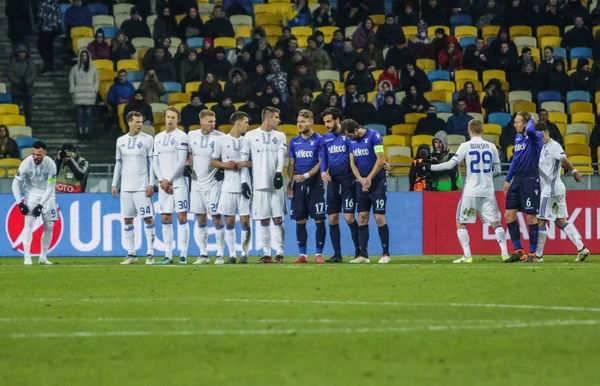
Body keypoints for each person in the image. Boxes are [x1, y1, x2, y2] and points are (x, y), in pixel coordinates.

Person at [422, 120, 508, 263]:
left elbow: (450, 165)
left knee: (460, 222)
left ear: (469, 130)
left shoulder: (465, 146)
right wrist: (486, 178)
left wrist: (429, 168)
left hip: (470, 191)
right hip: (488, 191)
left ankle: (467, 256)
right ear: (483, 130)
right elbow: (498, 171)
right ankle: (505, 253)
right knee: (496, 222)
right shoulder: (492, 147)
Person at [534, 121, 588, 262]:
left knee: (541, 220)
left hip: (550, 190)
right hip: (557, 189)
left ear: (548, 133)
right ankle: (581, 248)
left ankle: (538, 256)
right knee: (560, 221)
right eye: (539, 136)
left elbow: (563, 159)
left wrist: (574, 171)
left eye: (543, 135)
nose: (542, 138)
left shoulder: (553, 146)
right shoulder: (541, 147)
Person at [240, 107, 286, 263]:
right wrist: (245, 182)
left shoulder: (280, 136)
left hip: (276, 185)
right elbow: (244, 162)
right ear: (267, 118)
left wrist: (279, 173)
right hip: (258, 185)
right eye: (276, 117)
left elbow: (281, 157)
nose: (279, 121)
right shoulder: (250, 136)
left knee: (278, 219)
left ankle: (279, 252)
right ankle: (267, 254)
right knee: (264, 220)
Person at [111, 112, 156, 265]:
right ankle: (131, 253)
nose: (140, 124)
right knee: (127, 219)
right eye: (137, 121)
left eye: (141, 121)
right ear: (129, 123)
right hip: (126, 188)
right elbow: (118, 163)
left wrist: (151, 183)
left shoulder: (148, 140)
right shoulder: (120, 141)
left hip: (141, 187)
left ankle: (150, 253)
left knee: (148, 218)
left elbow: (152, 164)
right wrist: (114, 184)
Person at [343, 119, 390, 264]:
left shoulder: (374, 136)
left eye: (350, 135)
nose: (348, 138)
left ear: (356, 130)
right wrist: (362, 180)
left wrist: (368, 179)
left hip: (377, 182)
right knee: (362, 217)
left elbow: (380, 159)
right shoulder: (350, 142)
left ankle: (385, 254)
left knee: (379, 217)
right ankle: (363, 255)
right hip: (361, 183)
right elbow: (352, 163)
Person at [319, 108, 361, 262]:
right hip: (333, 183)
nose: (327, 125)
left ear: (337, 120)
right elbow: (324, 158)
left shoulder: (348, 136)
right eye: (325, 122)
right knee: (332, 218)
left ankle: (359, 251)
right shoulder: (325, 139)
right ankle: (337, 255)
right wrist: (323, 171)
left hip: (348, 182)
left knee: (349, 217)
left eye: (329, 121)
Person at [209, 111, 252, 264]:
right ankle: (232, 254)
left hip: (245, 186)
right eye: (246, 122)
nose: (247, 125)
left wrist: (245, 163)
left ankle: (244, 254)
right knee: (229, 222)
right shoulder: (221, 140)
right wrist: (224, 165)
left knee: (245, 221)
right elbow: (213, 161)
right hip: (228, 186)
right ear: (238, 122)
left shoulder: (248, 140)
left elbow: (255, 161)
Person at [286, 110, 326, 264]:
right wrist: (289, 185)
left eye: (302, 121)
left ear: (311, 122)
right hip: (298, 185)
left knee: (319, 219)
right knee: (299, 220)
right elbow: (291, 164)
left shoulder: (320, 140)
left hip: (315, 184)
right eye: (298, 121)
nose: (299, 124)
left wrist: (307, 175)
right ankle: (303, 255)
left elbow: (321, 162)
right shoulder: (294, 142)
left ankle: (318, 254)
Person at [503, 112, 543, 263]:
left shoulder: (536, 136)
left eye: (517, 122)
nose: (514, 125)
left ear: (526, 123)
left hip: (530, 180)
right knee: (508, 215)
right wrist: (508, 179)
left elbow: (531, 130)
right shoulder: (518, 138)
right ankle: (519, 251)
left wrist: (531, 120)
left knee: (531, 216)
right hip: (517, 180)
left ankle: (533, 254)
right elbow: (515, 160)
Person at [152, 107, 190, 265]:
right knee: (165, 217)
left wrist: (169, 180)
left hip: (179, 184)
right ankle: (168, 255)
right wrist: (161, 180)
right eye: (168, 117)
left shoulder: (182, 136)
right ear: (164, 118)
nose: (170, 120)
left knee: (182, 217)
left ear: (178, 119)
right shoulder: (158, 137)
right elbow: (155, 160)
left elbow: (181, 161)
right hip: (164, 186)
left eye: (173, 117)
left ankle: (183, 254)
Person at [188, 110, 226, 264]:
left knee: (216, 218)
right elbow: (189, 154)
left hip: (213, 184)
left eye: (214, 120)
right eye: (210, 121)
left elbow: (226, 157)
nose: (213, 123)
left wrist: (222, 169)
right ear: (201, 122)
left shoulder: (221, 137)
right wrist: (187, 165)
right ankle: (203, 254)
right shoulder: (191, 135)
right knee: (201, 219)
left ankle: (220, 254)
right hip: (196, 184)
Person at [11, 141, 57, 265]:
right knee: (28, 224)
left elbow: (50, 187)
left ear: (45, 153)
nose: (35, 157)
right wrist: (19, 204)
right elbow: (16, 183)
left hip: (48, 194)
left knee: (49, 226)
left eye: (38, 155)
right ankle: (27, 257)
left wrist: (40, 205)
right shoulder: (26, 163)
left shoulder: (51, 165)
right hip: (31, 193)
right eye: (33, 154)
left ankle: (43, 257)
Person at [68, 50, 99, 140]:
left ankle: (87, 132)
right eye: (82, 56)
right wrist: (72, 88)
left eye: (86, 56)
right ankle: (80, 132)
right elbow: (71, 78)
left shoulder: (93, 68)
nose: (84, 57)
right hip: (78, 94)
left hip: (90, 94)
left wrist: (95, 89)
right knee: (79, 114)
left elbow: (96, 79)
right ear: (80, 57)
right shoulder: (75, 68)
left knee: (88, 114)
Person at [8, 45, 35, 126]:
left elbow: (33, 74)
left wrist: (27, 82)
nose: (22, 54)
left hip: (27, 89)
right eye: (20, 53)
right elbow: (10, 74)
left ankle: (28, 125)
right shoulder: (13, 62)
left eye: (23, 53)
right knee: (15, 109)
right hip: (16, 89)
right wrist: (18, 82)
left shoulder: (30, 62)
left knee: (28, 110)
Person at [37, 0, 61, 74]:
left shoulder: (42, 4)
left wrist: (38, 26)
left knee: (43, 47)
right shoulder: (55, 4)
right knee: (48, 48)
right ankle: (49, 65)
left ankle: (47, 65)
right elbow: (59, 17)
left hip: (46, 29)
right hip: (52, 29)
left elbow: (40, 16)